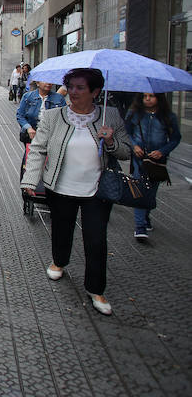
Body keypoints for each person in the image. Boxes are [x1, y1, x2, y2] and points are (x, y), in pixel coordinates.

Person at [21, 68, 131, 316]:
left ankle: (96, 289)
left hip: (97, 191)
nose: (73, 92)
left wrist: (111, 142)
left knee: (96, 239)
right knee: (62, 229)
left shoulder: (110, 116)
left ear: (95, 92)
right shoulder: (52, 116)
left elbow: (126, 151)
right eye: (70, 86)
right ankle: (59, 261)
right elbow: (38, 149)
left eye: (80, 88)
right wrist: (30, 180)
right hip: (60, 187)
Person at [123, 92, 181, 240]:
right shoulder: (134, 113)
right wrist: (134, 146)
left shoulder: (168, 116)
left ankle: (146, 216)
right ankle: (140, 226)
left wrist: (162, 151)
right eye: (145, 96)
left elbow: (175, 138)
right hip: (139, 159)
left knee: (151, 192)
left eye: (152, 96)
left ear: (159, 98)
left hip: (157, 162)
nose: (148, 99)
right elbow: (127, 132)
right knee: (140, 190)